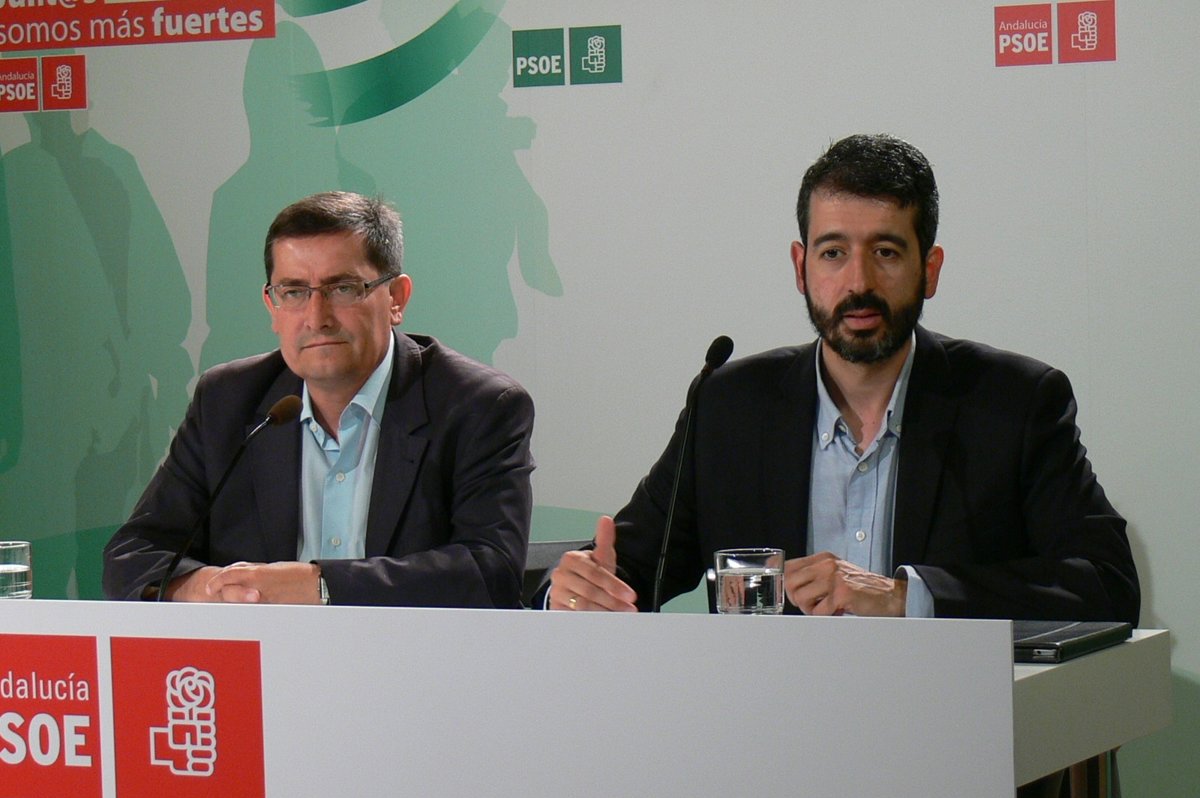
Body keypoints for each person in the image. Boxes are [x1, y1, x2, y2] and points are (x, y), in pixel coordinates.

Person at [545, 134, 1139, 624]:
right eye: (833, 253)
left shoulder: (1014, 404)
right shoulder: (729, 408)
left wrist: (907, 597)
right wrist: (571, 591)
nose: (858, 283)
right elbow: (627, 567)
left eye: (886, 253)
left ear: (929, 270)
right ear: (800, 267)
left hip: (949, 720)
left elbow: (1106, 584)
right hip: (763, 721)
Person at [104, 191, 534, 607]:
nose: (317, 318)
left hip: (415, 654)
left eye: (343, 288)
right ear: (272, 306)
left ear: (396, 298)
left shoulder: (478, 406)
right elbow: (132, 556)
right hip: (263, 654)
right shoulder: (228, 401)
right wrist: (210, 588)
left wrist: (319, 585)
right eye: (294, 292)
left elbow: (489, 573)